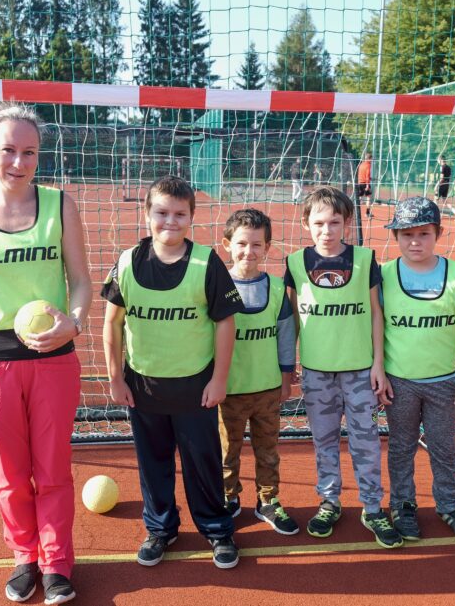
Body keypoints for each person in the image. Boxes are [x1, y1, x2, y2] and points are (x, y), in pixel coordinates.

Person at [0, 102, 92, 604]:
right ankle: (25, 556)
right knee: (10, 472)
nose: (19, 162)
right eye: (8, 150)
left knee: (52, 468)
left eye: (30, 152)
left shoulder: (60, 205)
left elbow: (81, 280)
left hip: (53, 357)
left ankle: (56, 563)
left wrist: (72, 323)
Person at [101, 175, 243, 570]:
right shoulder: (128, 262)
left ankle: (217, 528)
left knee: (203, 462)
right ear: (147, 214)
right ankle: (161, 529)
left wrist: (219, 379)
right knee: (153, 463)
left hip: (195, 387)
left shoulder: (206, 262)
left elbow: (225, 322)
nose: (170, 221)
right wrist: (115, 377)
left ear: (191, 217)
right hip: (142, 386)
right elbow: (112, 323)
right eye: (162, 212)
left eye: (180, 214)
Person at [285, 186, 402, 549]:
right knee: (323, 440)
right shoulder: (295, 263)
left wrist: (378, 364)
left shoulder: (365, 260)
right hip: (317, 373)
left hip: (360, 372)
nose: (327, 230)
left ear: (347, 223)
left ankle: (372, 507)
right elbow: (291, 319)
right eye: (319, 222)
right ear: (306, 224)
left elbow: (377, 315)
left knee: (366, 441)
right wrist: (288, 369)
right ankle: (329, 501)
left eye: (335, 222)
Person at [380, 197, 455, 544]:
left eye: (423, 233)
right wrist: (378, 371)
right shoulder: (384, 275)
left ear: (438, 233)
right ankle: (402, 504)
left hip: (443, 382)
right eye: (406, 234)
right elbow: (375, 328)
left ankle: (449, 504)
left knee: (443, 448)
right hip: (400, 383)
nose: (415, 242)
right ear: (396, 236)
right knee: (401, 447)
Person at [218, 208, 299, 535]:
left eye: (256, 245)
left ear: (267, 247)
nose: (248, 251)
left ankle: (268, 499)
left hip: (267, 389)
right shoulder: (216, 286)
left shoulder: (276, 288)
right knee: (227, 450)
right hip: (229, 390)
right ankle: (227, 496)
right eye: (241, 244)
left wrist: (285, 379)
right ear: (227, 244)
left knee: (268, 450)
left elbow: (285, 336)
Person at [356, 151, 373, 217]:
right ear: (369, 159)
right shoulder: (368, 165)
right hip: (365, 183)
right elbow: (367, 175)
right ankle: (367, 213)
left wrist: (370, 178)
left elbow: (361, 174)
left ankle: (355, 212)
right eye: (371, 159)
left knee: (359, 198)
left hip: (360, 183)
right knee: (368, 198)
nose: (371, 160)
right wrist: (367, 185)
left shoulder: (361, 165)